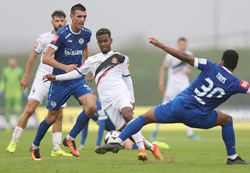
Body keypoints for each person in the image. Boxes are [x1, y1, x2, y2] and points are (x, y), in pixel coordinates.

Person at [95, 37, 250, 165]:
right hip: (198, 117)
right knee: (227, 120)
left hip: (177, 107)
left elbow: (185, 57)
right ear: (234, 67)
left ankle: (118, 141)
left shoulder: (210, 65)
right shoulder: (236, 83)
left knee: (144, 118)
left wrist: (162, 46)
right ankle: (232, 157)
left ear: (222, 61)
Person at [43, 28, 163, 162]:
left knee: (128, 114)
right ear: (98, 43)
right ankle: (153, 148)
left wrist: (132, 99)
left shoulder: (121, 58)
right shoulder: (92, 60)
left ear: (111, 41)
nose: (103, 44)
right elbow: (77, 73)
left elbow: (127, 78)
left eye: (106, 41)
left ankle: (141, 150)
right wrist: (56, 77)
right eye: (100, 42)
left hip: (121, 94)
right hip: (107, 102)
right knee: (128, 132)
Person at [29, 3, 97, 161]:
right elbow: (46, 58)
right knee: (52, 118)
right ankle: (35, 145)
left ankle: (70, 138)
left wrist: (90, 67)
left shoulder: (87, 33)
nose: (82, 20)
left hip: (77, 80)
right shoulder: (61, 34)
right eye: (79, 17)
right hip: (60, 82)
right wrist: (65, 67)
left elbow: (85, 49)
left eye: (84, 17)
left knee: (92, 106)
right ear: (72, 17)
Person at [5, 11, 72, 156]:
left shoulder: (69, 38)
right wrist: (26, 76)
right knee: (30, 108)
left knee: (58, 114)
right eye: (57, 20)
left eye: (62, 21)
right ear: (52, 22)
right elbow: (33, 56)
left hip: (58, 78)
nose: (59, 23)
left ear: (65, 22)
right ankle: (14, 141)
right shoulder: (44, 38)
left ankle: (56, 149)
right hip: (42, 78)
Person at [150, 37, 199, 141]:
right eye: (181, 44)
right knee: (163, 105)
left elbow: (190, 67)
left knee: (189, 105)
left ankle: (190, 133)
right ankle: (154, 130)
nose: (183, 46)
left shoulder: (190, 54)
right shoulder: (170, 55)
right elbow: (163, 68)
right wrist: (161, 82)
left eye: (184, 44)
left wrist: (188, 70)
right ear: (178, 45)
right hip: (172, 85)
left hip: (184, 84)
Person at [0, 57, 24, 129]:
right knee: (8, 109)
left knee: (17, 108)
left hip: (17, 93)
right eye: (11, 61)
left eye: (13, 61)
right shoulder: (5, 71)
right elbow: (3, 81)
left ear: (16, 62)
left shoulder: (20, 70)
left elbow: (22, 81)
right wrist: (1, 90)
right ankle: (8, 125)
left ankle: (18, 124)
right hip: (8, 93)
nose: (12, 63)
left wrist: (24, 91)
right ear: (8, 62)